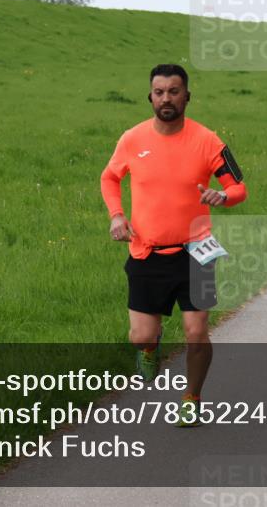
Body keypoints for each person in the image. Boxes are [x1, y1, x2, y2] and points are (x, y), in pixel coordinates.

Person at [101, 63, 248, 426]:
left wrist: (223, 197)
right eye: (159, 92)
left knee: (197, 331)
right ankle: (151, 346)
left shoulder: (208, 140)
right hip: (146, 251)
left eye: (174, 91)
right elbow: (109, 177)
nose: (166, 98)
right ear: (150, 96)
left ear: (187, 96)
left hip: (197, 251)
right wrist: (117, 216)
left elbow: (238, 187)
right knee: (141, 336)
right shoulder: (132, 139)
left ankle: (191, 397)